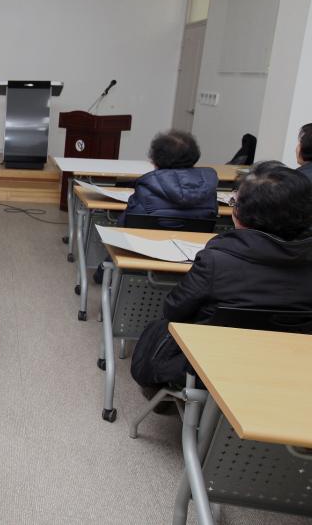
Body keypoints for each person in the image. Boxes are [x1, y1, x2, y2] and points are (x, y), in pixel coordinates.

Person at [131, 162, 312, 389]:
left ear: (240, 215)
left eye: (235, 202)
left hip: (208, 366)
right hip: (287, 367)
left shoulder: (216, 261)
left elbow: (174, 309)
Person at [94, 130, 219, 284]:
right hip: (191, 257)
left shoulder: (147, 186)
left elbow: (127, 226)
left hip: (146, 254)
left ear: (155, 159)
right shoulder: (209, 188)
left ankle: (102, 274)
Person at [122, 130, 218, 222]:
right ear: (194, 156)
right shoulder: (208, 186)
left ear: (155, 159)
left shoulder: (146, 187)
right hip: (197, 239)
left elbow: (128, 221)